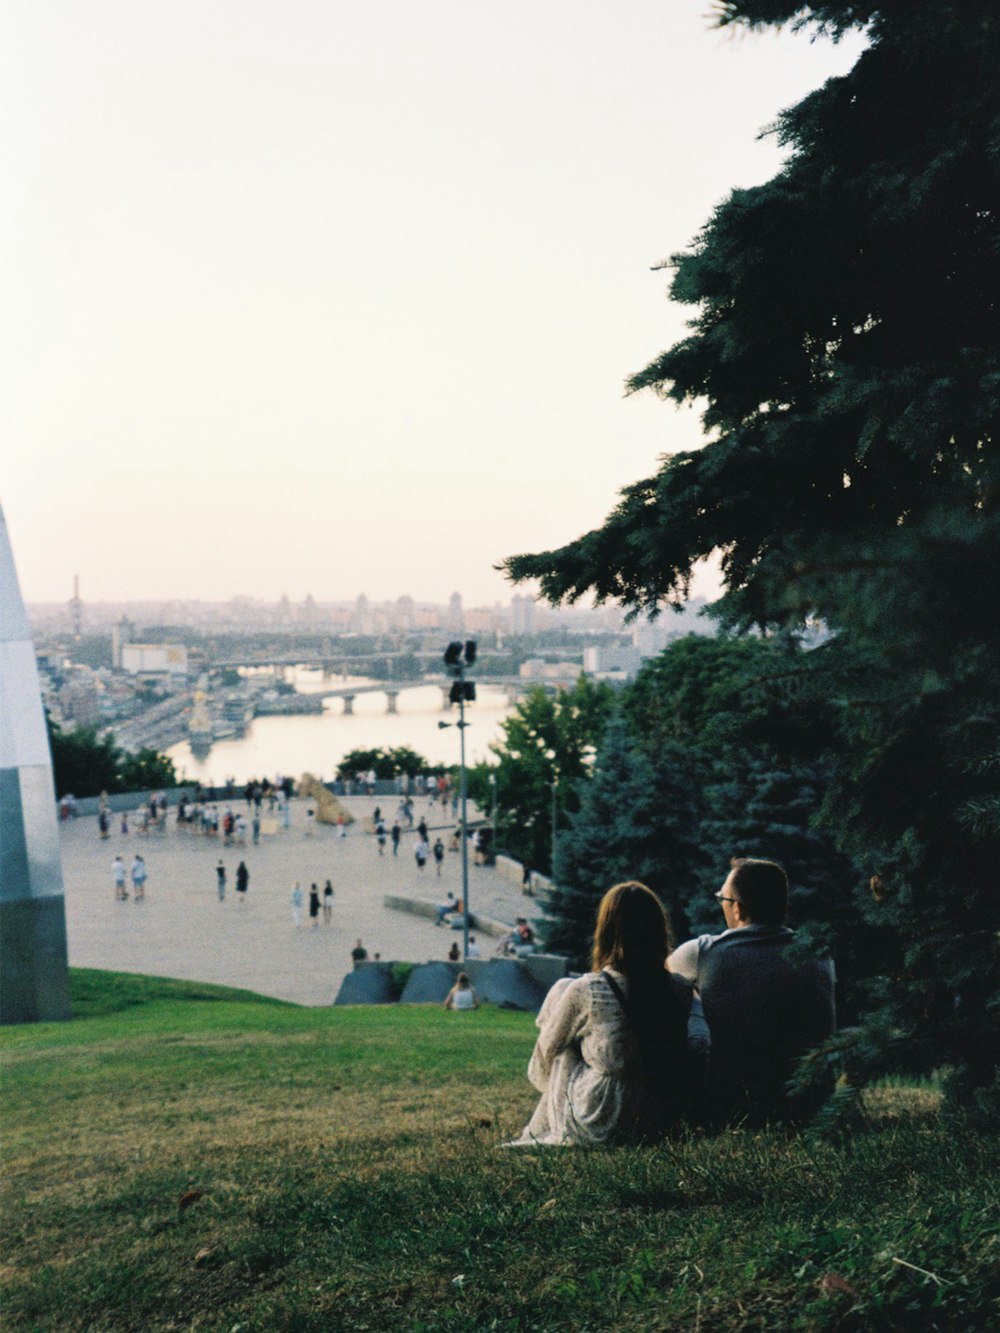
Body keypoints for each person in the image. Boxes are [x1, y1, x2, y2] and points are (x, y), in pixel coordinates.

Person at [506, 882, 691, 1147]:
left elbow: (543, 1059)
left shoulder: (590, 989)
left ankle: (545, 1127)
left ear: (606, 931)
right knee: (566, 994)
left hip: (601, 1120)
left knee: (561, 1030)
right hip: (658, 1116)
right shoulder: (681, 989)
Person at [667, 857, 836, 1128]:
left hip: (732, 1109)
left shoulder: (702, 952)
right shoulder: (818, 953)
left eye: (723, 898)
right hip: (811, 1107)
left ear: (739, 909)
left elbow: (658, 983)